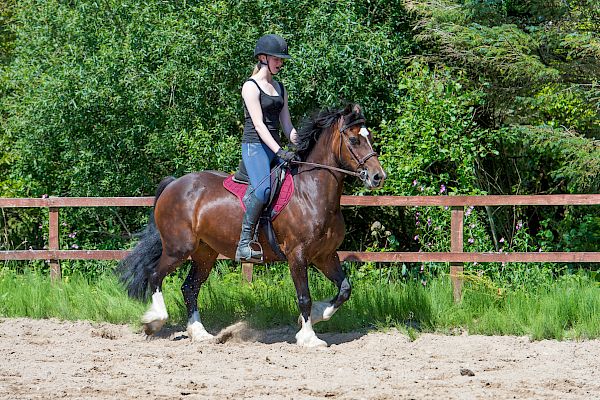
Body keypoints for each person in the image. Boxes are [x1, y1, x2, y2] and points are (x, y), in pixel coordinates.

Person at [235, 34, 299, 262]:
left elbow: (287, 125)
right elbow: (260, 126)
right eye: (276, 58)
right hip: (255, 147)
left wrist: (300, 143)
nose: (280, 63)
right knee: (262, 190)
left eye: (281, 60)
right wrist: (279, 151)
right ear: (263, 58)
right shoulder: (250, 87)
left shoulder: (280, 88)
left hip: (274, 148)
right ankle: (243, 245)